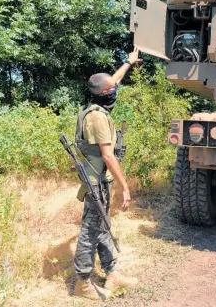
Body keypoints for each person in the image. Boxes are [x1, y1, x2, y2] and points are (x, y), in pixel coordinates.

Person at [72, 49, 142, 300]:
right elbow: (108, 156)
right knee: (91, 230)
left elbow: (112, 82)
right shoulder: (98, 118)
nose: (115, 91)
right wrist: (125, 186)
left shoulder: (94, 106)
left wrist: (128, 63)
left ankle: (112, 273)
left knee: (102, 225)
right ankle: (81, 283)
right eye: (112, 89)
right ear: (104, 94)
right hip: (96, 180)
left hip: (99, 179)